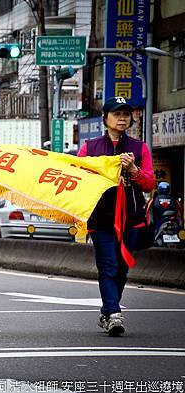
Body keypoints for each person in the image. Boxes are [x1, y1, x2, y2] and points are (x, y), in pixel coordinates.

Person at [77, 96, 155, 336]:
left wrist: (133, 170)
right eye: (116, 113)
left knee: (122, 268)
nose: (122, 118)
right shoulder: (90, 148)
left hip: (131, 217)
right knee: (108, 266)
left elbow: (150, 182)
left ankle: (107, 309)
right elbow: (78, 179)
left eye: (126, 114)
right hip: (101, 217)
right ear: (105, 119)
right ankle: (113, 314)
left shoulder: (139, 148)